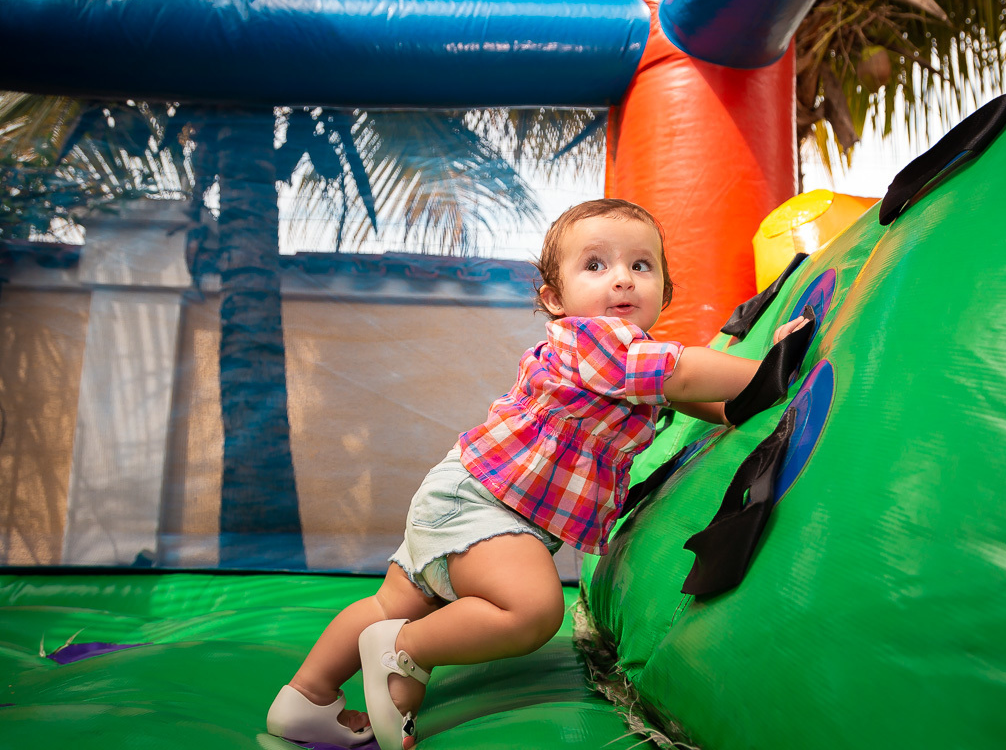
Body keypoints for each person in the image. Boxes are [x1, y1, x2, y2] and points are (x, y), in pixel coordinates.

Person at [265, 198, 811, 750]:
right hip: (487, 505)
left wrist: (743, 405)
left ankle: (306, 698)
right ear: (555, 299)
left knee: (389, 604)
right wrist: (771, 367)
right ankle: (405, 649)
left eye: (641, 265)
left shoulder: (629, 367)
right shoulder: (596, 341)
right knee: (531, 609)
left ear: (665, 290)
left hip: (461, 492)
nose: (623, 279)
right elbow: (685, 374)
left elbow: (698, 399)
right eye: (595, 265)